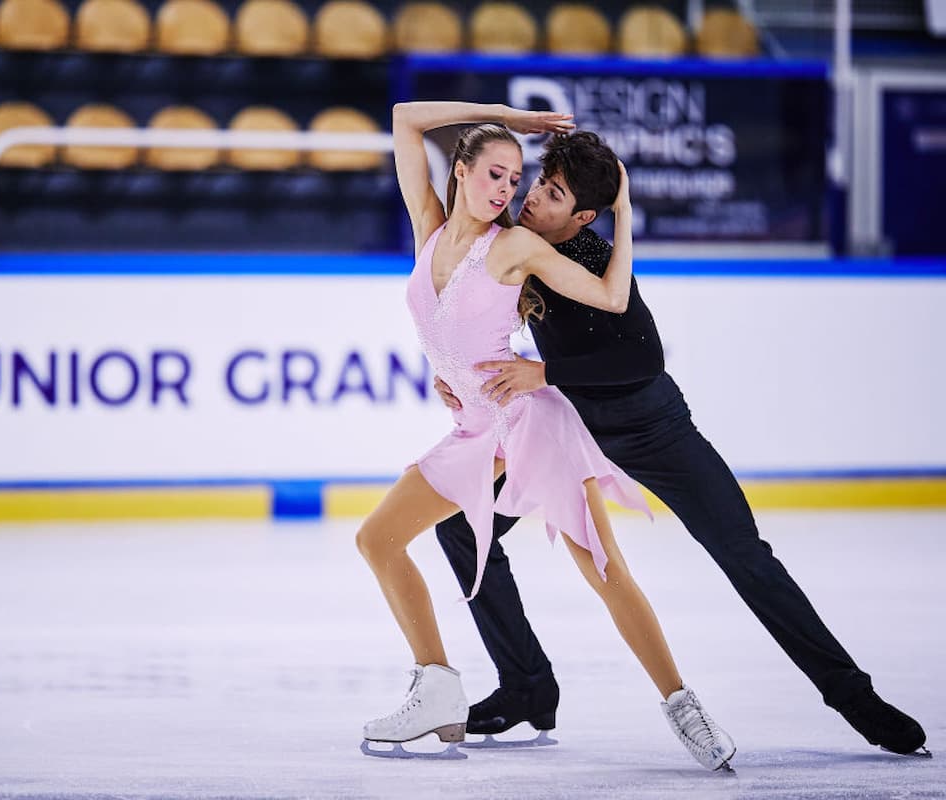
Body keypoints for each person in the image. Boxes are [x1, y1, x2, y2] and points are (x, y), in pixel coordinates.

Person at [433, 130, 930, 757]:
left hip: (653, 426)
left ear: (584, 216)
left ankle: (851, 694)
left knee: (746, 554)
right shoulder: (508, 241)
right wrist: (451, 373)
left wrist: (545, 370)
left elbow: (642, 355)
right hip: (571, 429)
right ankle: (527, 685)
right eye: (538, 183)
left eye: (553, 194)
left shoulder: (589, 255)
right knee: (459, 527)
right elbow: (464, 308)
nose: (531, 198)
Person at [355, 100, 735, 771]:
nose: (507, 189)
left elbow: (613, 298)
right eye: (496, 174)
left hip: (532, 425)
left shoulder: (514, 248)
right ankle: (438, 685)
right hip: (476, 429)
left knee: (604, 568)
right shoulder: (430, 228)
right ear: (461, 170)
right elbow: (406, 117)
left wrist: (622, 211)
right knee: (378, 540)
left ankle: (683, 704)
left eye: (515, 178)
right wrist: (509, 117)